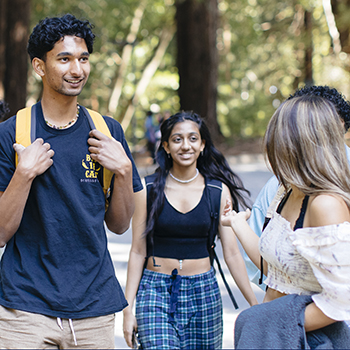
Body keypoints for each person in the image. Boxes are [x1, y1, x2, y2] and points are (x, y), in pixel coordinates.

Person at [0, 14, 142, 349]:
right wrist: (24, 173)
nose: (76, 70)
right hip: (25, 308)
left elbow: (120, 225)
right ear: (39, 66)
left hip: (94, 306)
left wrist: (122, 171)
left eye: (83, 59)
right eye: (64, 59)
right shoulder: (11, 134)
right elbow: (1, 232)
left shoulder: (108, 132)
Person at [222, 95, 350, 348]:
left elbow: (342, 300)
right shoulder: (286, 189)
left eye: (279, 136)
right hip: (275, 334)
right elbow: (278, 269)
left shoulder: (325, 204)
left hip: (303, 339)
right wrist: (238, 224)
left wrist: (266, 321)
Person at [123, 111, 258, 349]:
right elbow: (137, 251)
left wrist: (254, 305)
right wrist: (127, 309)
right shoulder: (148, 188)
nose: (186, 146)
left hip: (203, 292)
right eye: (177, 139)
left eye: (193, 139)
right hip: (155, 290)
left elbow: (232, 253)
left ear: (203, 144)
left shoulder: (218, 191)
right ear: (165, 146)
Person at [247, 85, 350, 286]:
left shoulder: (326, 204)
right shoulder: (280, 188)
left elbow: (340, 297)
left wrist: (283, 312)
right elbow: (269, 264)